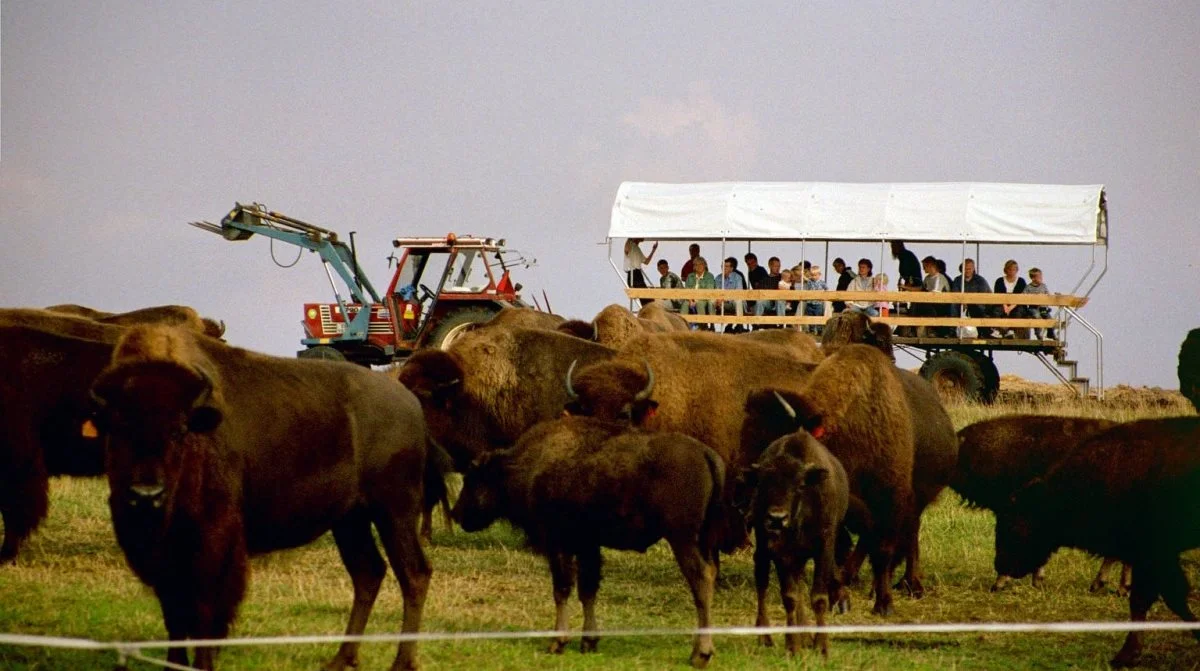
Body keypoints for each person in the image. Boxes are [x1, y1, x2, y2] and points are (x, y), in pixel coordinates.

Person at [904, 255, 953, 337]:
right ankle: (912, 329)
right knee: (915, 304)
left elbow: (934, 295)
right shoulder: (927, 278)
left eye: (924, 266)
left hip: (941, 305)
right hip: (930, 303)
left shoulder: (939, 278)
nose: (923, 269)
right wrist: (906, 288)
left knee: (922, 306)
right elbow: (921, 289)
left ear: (930, 266)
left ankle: (932, 330)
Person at [950, 258, 993, 336]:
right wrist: (963, 302)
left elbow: (982, 296)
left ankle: (982, 331)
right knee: (953, 305)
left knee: (975, 308)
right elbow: (955, 294)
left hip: (978, 306)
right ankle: (952, 330)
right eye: (965, 269)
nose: (967, 271)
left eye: (969, 269)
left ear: (973, 269)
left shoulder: (980, 280)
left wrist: (969, 301)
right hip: (961, 305)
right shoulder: (958, 280)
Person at [992, 259, 1029, 338]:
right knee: (996, 310)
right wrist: (1005, 306)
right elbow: (998, 295)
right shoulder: (999, 281)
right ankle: (997, 330)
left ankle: (1011, 330)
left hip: (1016, 304)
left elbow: (1021, 296)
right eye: (1009, 269)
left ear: (1017, 270)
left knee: (1018, 311)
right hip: (1002, 303)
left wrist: (1011, 307)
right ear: (1006, 270)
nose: (1011, 271)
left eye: (1014, 269)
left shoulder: (1021, 281)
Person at [623, 238, 658, 306]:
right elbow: (626, 250)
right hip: (633, 274)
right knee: (647, 299)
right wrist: (630, 238)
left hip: (638, 275)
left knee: (648, 299)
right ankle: (648, 312)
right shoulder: (630, 244)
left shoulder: (637, 248)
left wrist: (653, 250)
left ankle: (648, 312)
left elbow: (646, 261)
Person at [684, 256, 716, 330]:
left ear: (705, 265)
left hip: (704, 299)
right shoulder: (690, 276)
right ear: (694, 267)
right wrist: (690, 300)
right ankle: (683, 327)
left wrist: (696, 299)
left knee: (699, 303)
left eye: (701, 264)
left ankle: (703, 326)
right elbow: (687, 290)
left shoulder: (709, 276)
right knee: (685, 304)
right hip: (691, 299)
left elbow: (709, 290)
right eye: (696, 264)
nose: (698, 266)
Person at [715, 256, 746, 333]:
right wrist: (718, 299)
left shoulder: (737, 277)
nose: (724, 268)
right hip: (723, 303)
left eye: (726, 266)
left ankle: (739, 325)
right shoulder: (718, 278)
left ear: (731, 269)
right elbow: (716, 292)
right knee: (713, 301)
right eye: (723, 266)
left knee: (738, 301)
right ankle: (709, 326)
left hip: (734, 302)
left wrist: (725, 298)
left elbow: (739, 293)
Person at [1025, 267, 1056, 340]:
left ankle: (1050, 333)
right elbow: (1023, 297)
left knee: (1049, 318)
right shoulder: (1028, 287)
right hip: (1033, 307)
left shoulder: (1043, 286)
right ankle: (1038, 333)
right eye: (1039, 277)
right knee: (1037, 316)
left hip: (1043, 307)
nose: (1041, 278)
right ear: (1033, 278)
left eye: (1041, 276)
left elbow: (1048, 295)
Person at [754, 256, 784, 322]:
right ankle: (756, 324)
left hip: (779, 302)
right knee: (760, 302)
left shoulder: (782, 277)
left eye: (779, 266)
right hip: (768, 303)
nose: (778, 268)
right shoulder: (764, 280)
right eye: (776, 266)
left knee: (780, 300)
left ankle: (781, 324)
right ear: (770, 266)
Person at [803, 263, 828, 334]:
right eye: (812, 275)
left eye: (815, 275)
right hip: (810, 302)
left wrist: (823, 294)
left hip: (818, 303)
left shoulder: (822, 283)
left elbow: (826, 289)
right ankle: (811, 330)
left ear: (819, 275)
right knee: (810, 317)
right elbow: (805, 279)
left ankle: (819, 330)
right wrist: (802, 275)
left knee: (819, 316)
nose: (813, 277)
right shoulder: (810, 281)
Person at [744, 253, 768, 320]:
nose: (751, 265)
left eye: (752, 263)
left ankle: (756, 323)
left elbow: (766, 284)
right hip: (756, 295)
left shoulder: (761, 270)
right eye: (748, 264)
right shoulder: (750, 273)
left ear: (756, 261)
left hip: (763, 295)